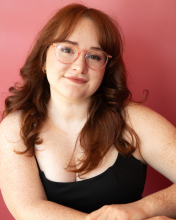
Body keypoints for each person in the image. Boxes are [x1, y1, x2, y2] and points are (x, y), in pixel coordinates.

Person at [0, 3, 175, 220]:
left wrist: (144, 209)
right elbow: (27, 208)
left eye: (94, 56)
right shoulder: (15, 128)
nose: (79, 67)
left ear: (106, 68)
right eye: (66, 49)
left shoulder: (133, 120)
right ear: (43, 58)